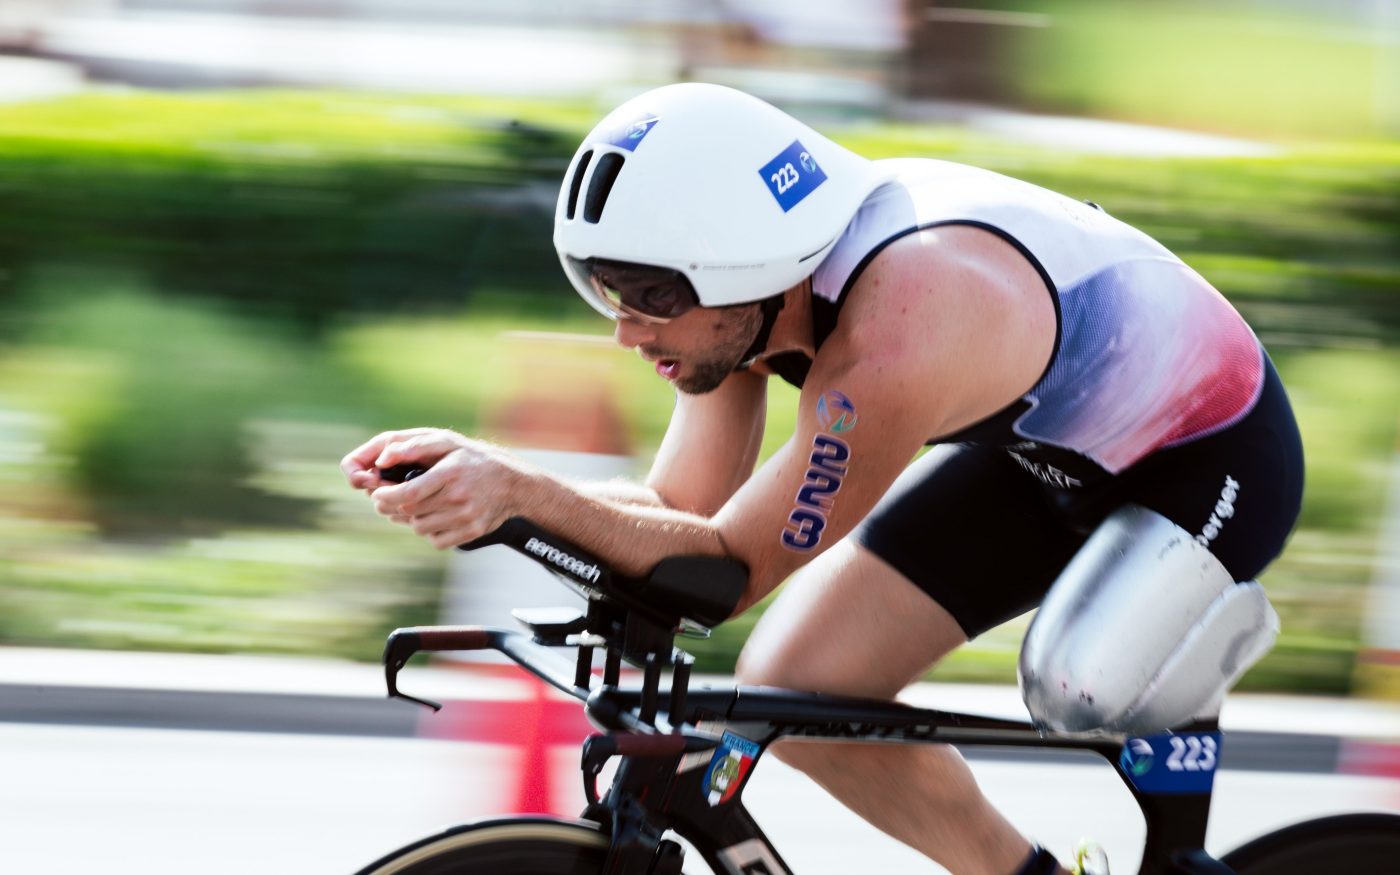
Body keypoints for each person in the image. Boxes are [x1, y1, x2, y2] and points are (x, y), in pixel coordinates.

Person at [342, 83, 1303, 875]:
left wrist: (522, 493)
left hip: (1208, 460)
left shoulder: (897, 329)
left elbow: (725, 570)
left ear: (744, 265)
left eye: (650, 295)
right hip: (1047, 454)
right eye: (607, 290)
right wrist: (505, 500)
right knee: (797, 688)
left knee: (1077, 685)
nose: (628, 332)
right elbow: (677, 515)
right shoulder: (746, 304)